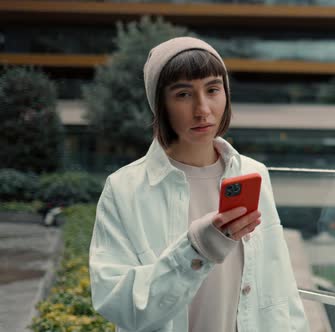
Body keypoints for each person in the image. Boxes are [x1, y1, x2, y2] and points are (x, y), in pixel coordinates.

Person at [89, 37, 309, 332]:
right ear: (160, 104)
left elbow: (279, 288)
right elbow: (121, 306)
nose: (202, 109)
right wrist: (197, 248)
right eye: (183, 94)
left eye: (213, 89)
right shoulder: (123, 189)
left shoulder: (253, 173)